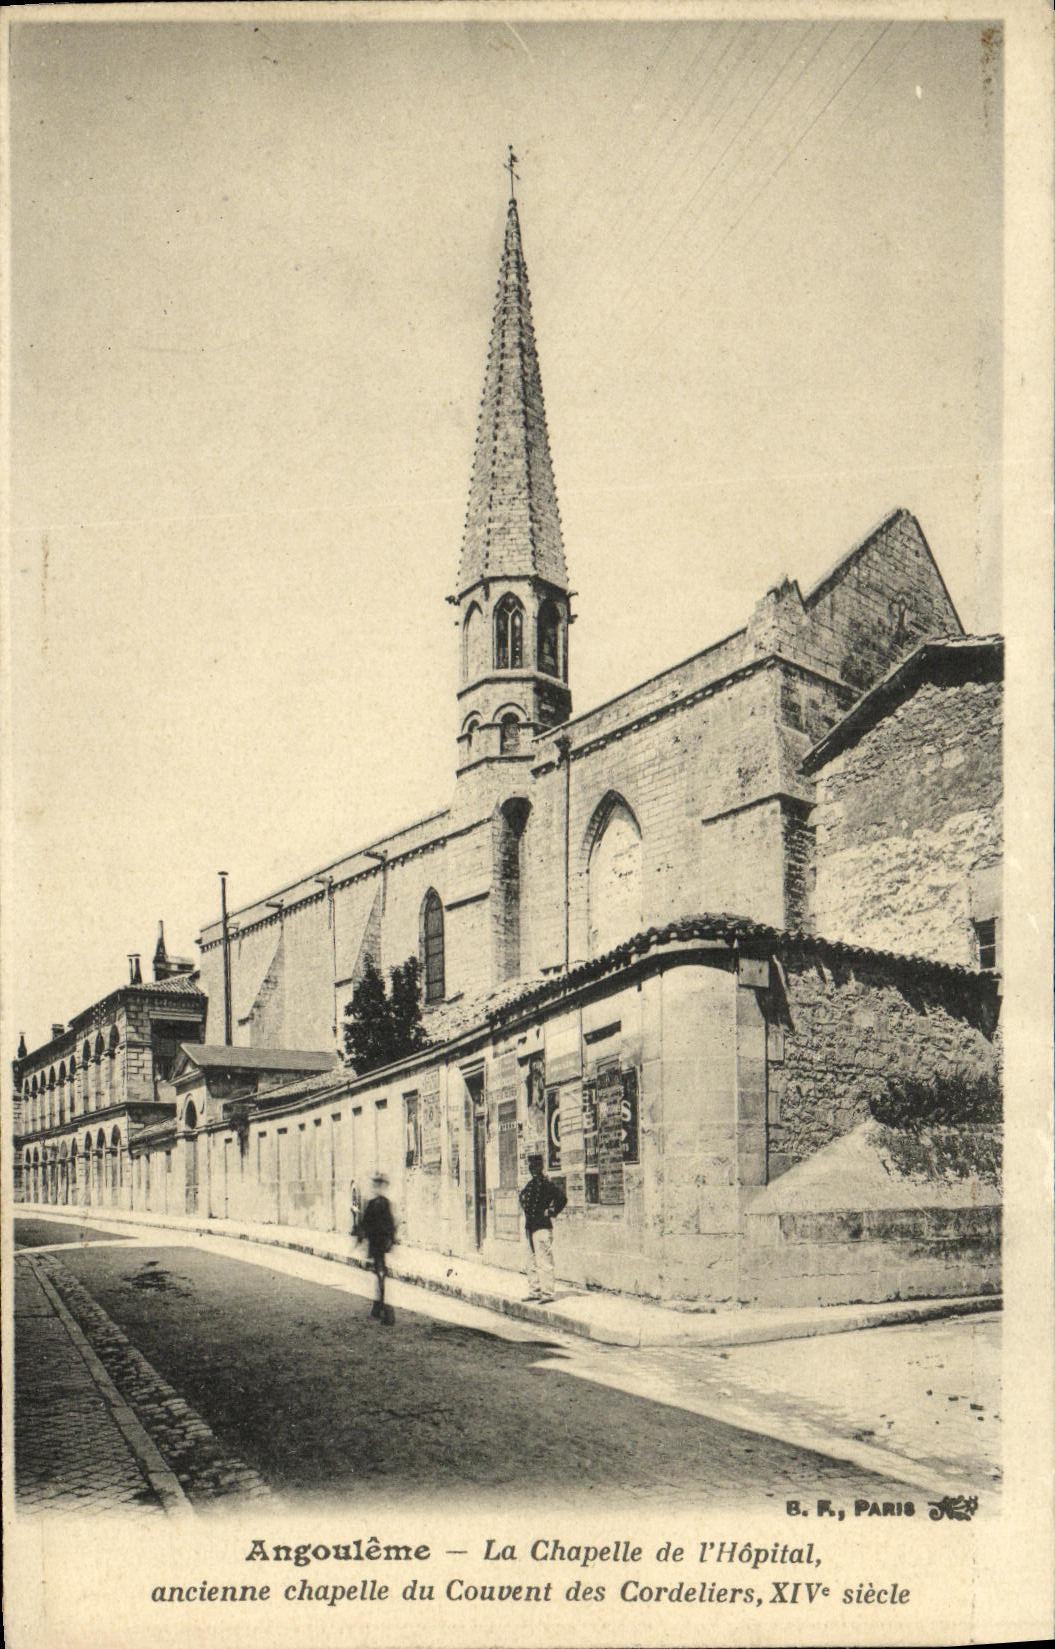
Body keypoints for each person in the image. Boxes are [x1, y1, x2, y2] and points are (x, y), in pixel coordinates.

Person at [519, 1153, 566, 1303]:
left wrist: (551, 1211)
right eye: (532, 1167)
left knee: (544, 1261)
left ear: (541, 1167)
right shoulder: (531, 1185)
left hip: (542, 1227)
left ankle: (547, 1294)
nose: (534, 1169)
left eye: (536, 1166)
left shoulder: (547, 1184)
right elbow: (522, 1196)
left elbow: (562, 1199)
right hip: (530, 1227)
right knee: (531, 1261)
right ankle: (535, 1291)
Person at [358, 1172, 397, 1323]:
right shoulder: (373, 1204)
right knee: (379, 1271)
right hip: (377, 1242)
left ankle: (380, 1305)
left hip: (379, 1242)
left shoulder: (381, 1203)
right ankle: (378, 1303)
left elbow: (390, 1223)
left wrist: (391, 1239)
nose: (379, 1188)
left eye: (381, 1185)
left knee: (380, 1271)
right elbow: (366, 1223)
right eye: (377, 1185)